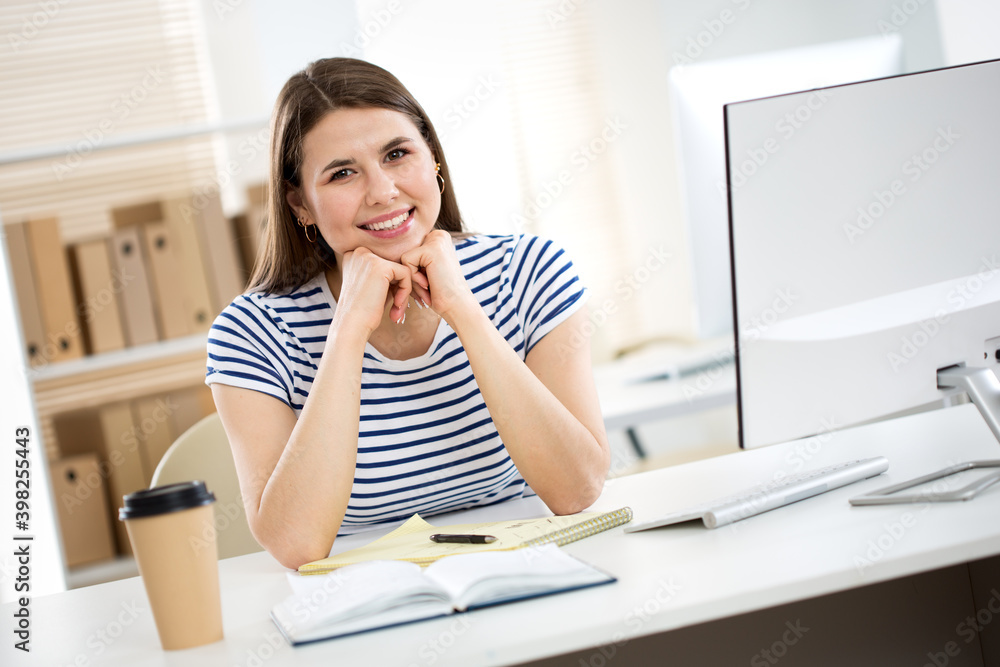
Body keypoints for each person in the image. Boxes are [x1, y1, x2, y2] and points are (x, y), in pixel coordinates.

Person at [206, 57, 610, 569]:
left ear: (434, 160)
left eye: (397, 154)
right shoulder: (250, 334)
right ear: (300, 205)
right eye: (342, 174)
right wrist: (348, 330)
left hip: (532, 566)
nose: (382, 191)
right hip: (364, 592)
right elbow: (296, 545)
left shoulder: (529, 270)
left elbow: (578, 490)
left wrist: (462, 309)